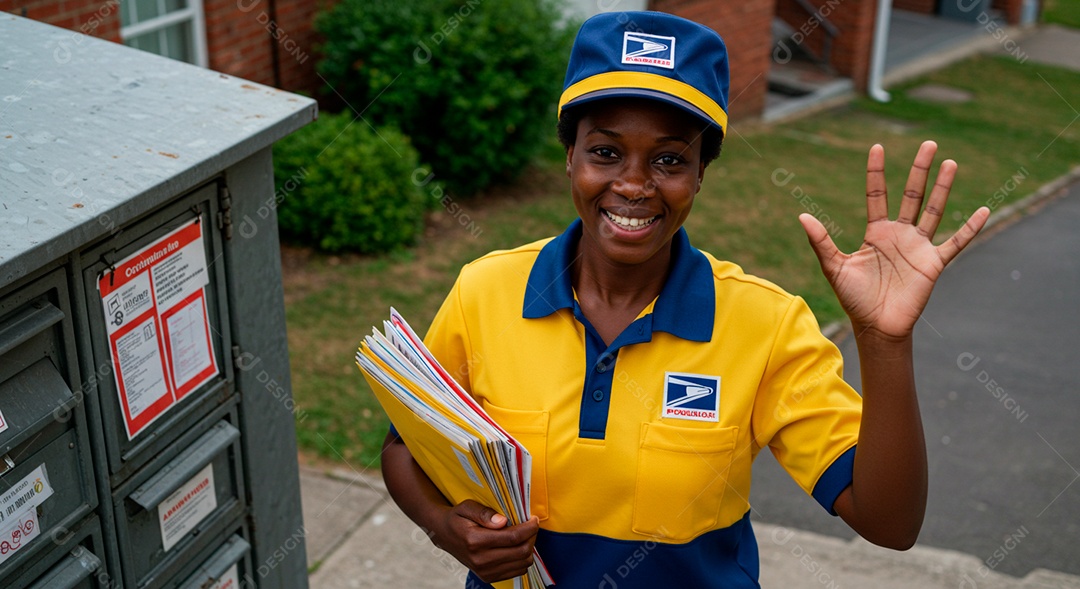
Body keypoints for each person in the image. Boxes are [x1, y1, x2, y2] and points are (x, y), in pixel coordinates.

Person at [381, 10, 990, 589]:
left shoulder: (765, 325)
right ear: (570, 157)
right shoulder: (485, 292)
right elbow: (405, 446)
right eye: (605, 152)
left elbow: (890, 523)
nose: (633, 185)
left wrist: (884, 341)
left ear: (700, 173)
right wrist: (444, 528)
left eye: (669, 160)